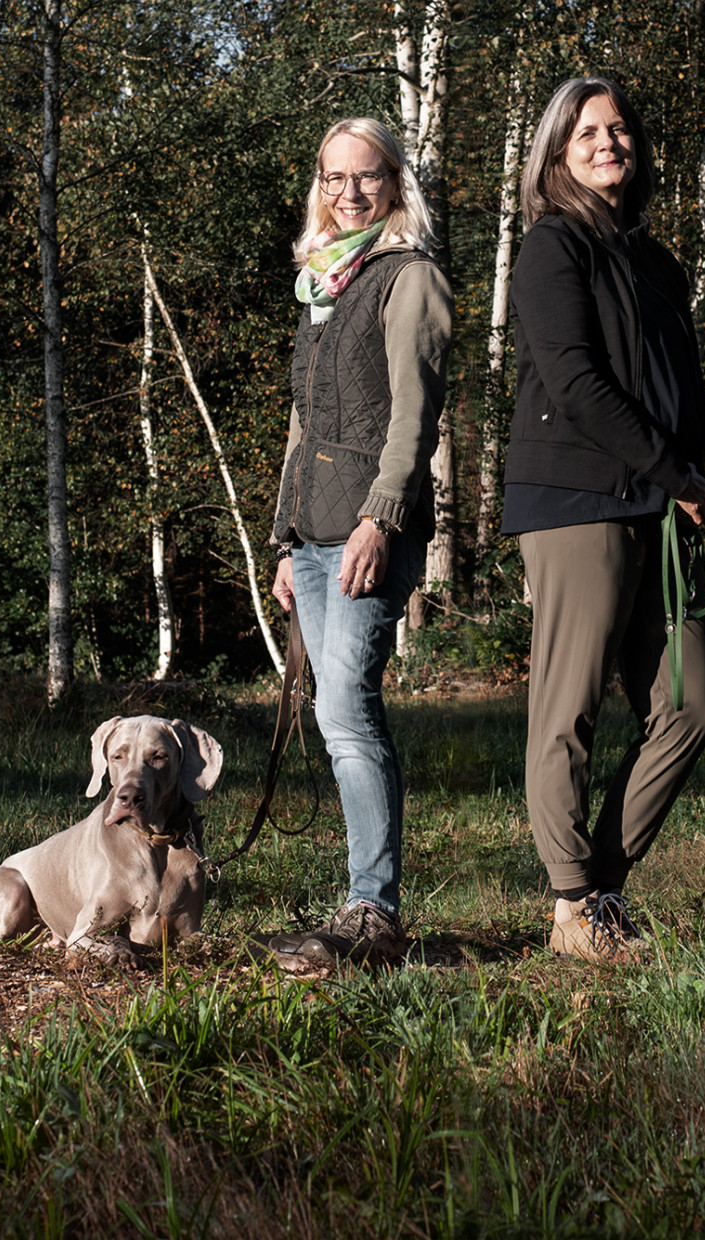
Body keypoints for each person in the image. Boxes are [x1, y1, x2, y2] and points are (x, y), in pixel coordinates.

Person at [501, 76, 705, 963]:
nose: (607, 142)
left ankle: (599, 887)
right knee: (569, 710)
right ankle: (573, 903)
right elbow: (577, 384)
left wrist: (694, 472)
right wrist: (673, 471)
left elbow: (680, 382)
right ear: (557, 151)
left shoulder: (655, 260)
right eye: (586, 131)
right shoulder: (552, 245)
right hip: (577, 501)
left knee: (690, 705)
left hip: (661, 502)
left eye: (619, 127)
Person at [259, 117, 452, 968]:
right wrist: (282, 538)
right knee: (333, 709)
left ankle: (374, 909)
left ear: (394, 183)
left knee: (345, 707)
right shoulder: (322, 282)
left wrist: (381, 517)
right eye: (334, 178)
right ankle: (364, 901)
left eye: (366, 176)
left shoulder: (410, 278)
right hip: (311, 530)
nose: (349, 192)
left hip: (372, 526)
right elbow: (302, 423)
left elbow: (415, 416)